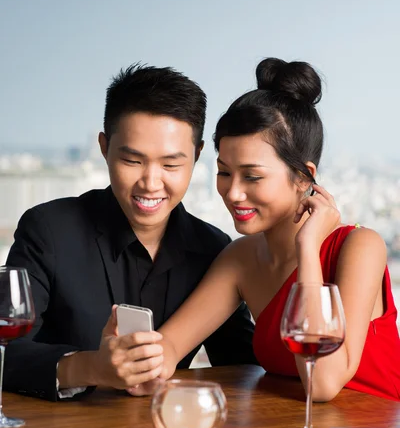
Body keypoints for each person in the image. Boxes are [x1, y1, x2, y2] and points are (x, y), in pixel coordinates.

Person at [113, 57, 400, 402]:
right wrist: (133, 360)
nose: (233, 192)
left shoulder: (359, 247)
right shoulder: (242, 258)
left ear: (303, 177)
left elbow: (321, 384)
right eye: (224, 172)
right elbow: (171, 345)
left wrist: (308, 249)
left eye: (252, 176)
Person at [5, 64, 256, 401]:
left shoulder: (213, 249)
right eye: (133, 161)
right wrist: (91, 367)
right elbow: (6, 352)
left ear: (196, 157)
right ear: (105, 147)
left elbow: (245, 366)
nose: (151, 183)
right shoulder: (48, 230)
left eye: (170, 165)